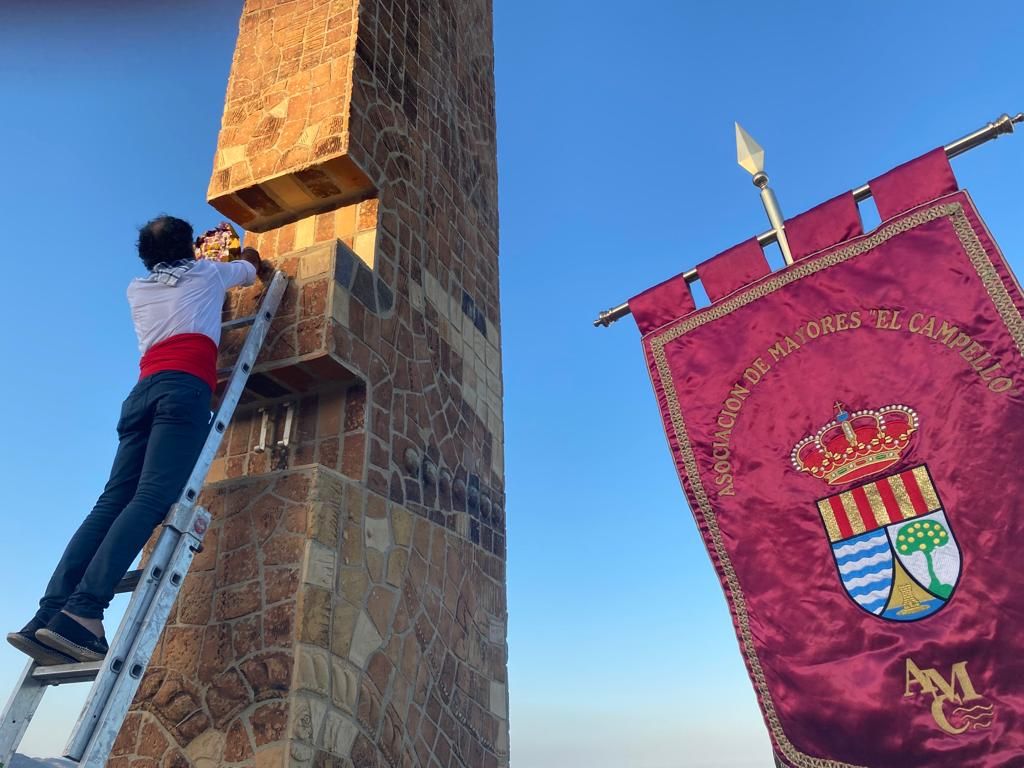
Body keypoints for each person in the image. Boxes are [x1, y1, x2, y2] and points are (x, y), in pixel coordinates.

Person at [6, 215, 268, 664]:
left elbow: (177, 274)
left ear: (145, 257)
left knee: (112, 501)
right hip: (183, 389)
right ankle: (84, 612)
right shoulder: (206, 273)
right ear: (189, 247)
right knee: (153, 497)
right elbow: (251, 265)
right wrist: (231, 252)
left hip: (143, 391)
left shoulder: (137, 289)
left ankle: (48, 614)